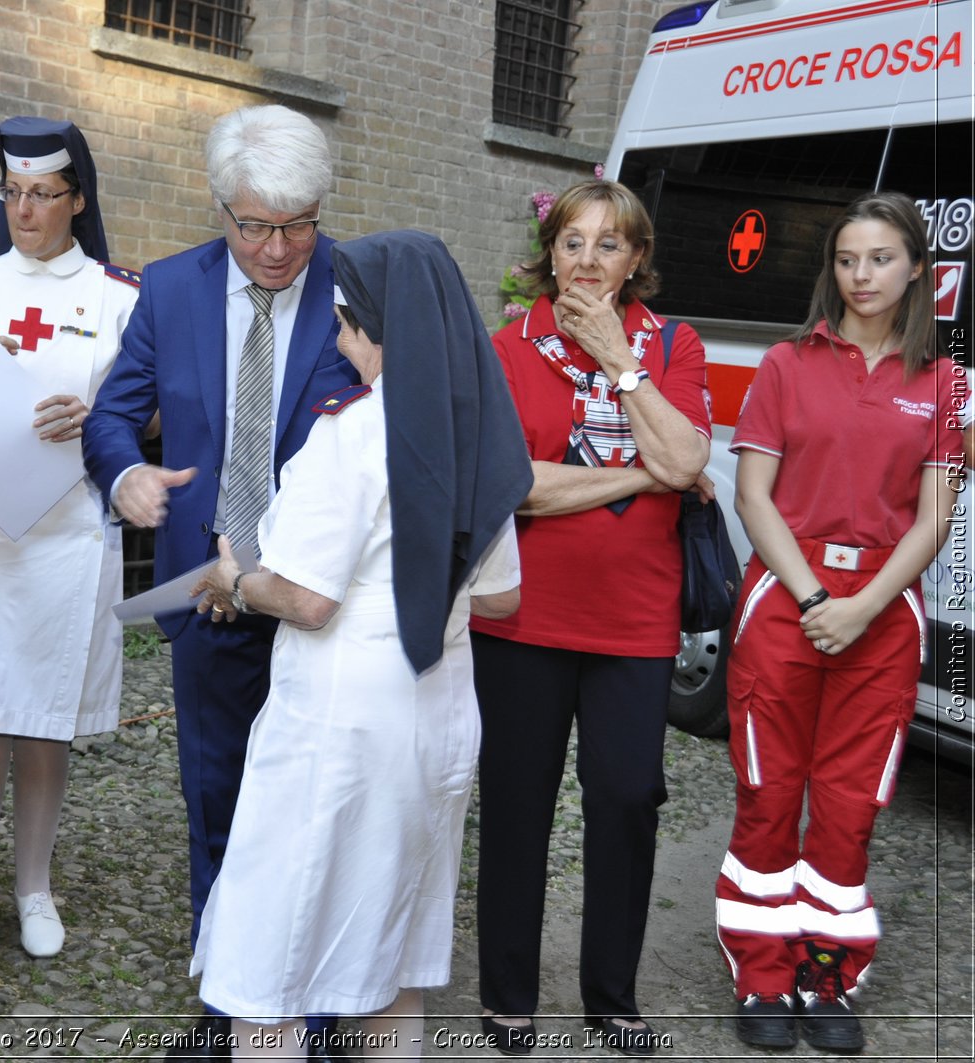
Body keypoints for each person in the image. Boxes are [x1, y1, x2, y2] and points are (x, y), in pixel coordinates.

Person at [187, 229, 531, 1061]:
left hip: (341, 722)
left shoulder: (349, 432)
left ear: (376, 326)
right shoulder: (476, 430)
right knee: (392, 952)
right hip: (438, 708)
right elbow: (502, 594)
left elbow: (305, 597)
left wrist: (235, 579)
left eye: (345, 323)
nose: (339, 340)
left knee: (272, 957)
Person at [81, 103, 360, 1060]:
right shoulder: (170, 289)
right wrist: (127, 475)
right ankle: (228, 997)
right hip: (205, 589)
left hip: (319, 598)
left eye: (297, 225)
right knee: (219, 798)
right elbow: (113, 416)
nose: (277, 248)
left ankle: (316, 1009)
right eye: (254, 226)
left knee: (315, 806)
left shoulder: (357, 291)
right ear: (220, 209)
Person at [470, 179, 712, 1057]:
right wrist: (649, 476)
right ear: (549, 252)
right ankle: (508, 996)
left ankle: (612, 994)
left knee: (625, 801)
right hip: (522, 615)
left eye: (610, 244)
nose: (588, 260)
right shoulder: (505, 346)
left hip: (635, 623)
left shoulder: (672, 343)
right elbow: (515, 484)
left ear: (637, 259)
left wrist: (621, 361)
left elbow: (688, 452)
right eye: (573, 241)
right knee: (516, 806)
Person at [716, 191, 960, 1054]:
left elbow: (935, 517)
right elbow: (753, 495)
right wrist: (819, 600)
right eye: (849, 259)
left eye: (882, 258)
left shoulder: (946, 383)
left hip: (883, 613)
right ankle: (761, 975)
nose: (862, 276)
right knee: (768, 790)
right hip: (786, 600)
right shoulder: (787, 363)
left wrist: (862, 605)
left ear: (917, 270)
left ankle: (827, 975)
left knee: (851, 807)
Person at [0, 116, 139, 964]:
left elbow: (146, 406)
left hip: (67, 528)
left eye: (43, 194)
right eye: (11, 193)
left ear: (77, 199)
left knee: (45, 718)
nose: (24, 209)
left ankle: (34, 885)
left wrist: (99, 417)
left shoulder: (121, 294)